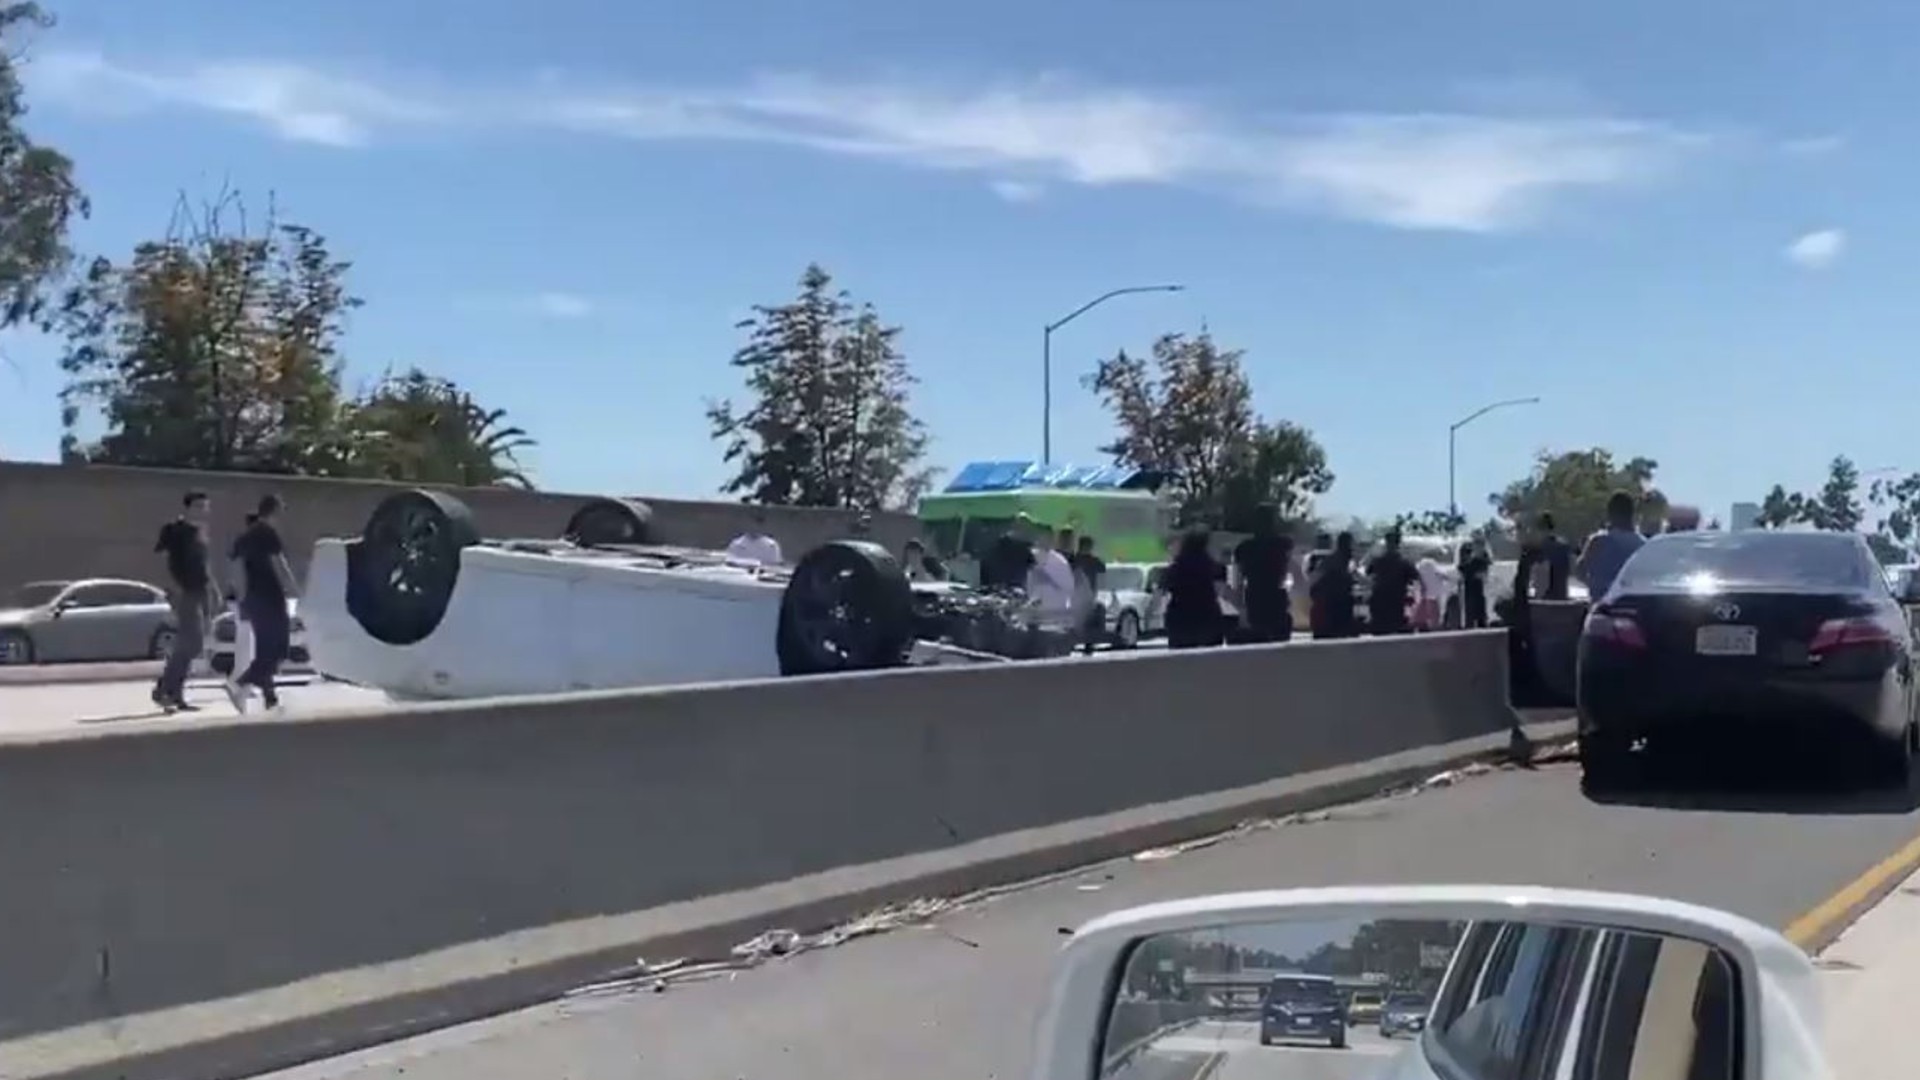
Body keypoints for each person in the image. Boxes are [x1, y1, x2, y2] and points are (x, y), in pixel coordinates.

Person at [228, 494, 300, 713]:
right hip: (270, 597)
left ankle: (270, 700)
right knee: (278, 649)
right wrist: (294, 588)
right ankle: (239, 683)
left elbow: (233, 568)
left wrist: (240, 597)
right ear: (274, 510)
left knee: (264, 649)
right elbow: (279, 563)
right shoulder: (267, 533)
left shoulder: (245, 535)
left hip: (253, 598)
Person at [151, 490, 219, 712]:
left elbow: (204, 564)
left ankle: (175, 693)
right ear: (187, 508)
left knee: (192, 644)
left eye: (205, 506)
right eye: (198, 506)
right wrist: (171, 590)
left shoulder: (200, 533)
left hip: (200, 589)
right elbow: (161, 559)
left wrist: (214, 589)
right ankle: (164, 689)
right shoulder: (175, 530)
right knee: (190, 642)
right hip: (183, 591)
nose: (202, 511)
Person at [1231, 503, 1302, 644]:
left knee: (1258, 645)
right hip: (1276, 598)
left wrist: (1240, 607)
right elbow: (1297, 575)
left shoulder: (1244, 548)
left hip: (1254, 599)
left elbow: (1238, 583)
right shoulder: (1283, 545)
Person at [1160, 528, 1227, 649]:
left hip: (1180, 618)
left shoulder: (1175, 568)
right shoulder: (1213, 567)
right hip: (1207, 616)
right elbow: (1220, 591)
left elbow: (1163, 592)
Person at [1576, 491, 1648, 602]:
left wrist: (1595, 585)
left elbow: (1580, 570)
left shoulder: (1599, 540)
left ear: (1610, 513)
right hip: (1632, 608)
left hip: (1602, 608)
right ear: (1632, 514)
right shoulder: (1643, 545)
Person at [1366, 530, 1420, 635]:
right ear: (1398, 544)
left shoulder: (1379, 560)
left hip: (1379, 602)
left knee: (1379, 635)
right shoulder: (1404, 562)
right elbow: (1415, 577)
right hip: (1395, 603)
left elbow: (1368, 572)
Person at [1309, 532, 1359, 639]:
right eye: (1348, 545)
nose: (1351, 549)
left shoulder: (1342, 562)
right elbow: (1319, 580)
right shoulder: (1334, 561)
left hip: (1337, 603)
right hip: (1331, 604)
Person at [1070, 534, 1108, 656]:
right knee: (1085, 618)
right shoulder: (1088, 560)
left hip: (1082, 593)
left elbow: (1103, 568)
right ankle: (1087, 644)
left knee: (1083, 619)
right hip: (1082, 593)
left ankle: (1086, 644)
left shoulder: (1075, 558)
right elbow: (1103, 568)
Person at [981, 515, 1038, 591]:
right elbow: (1032, 564)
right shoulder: (1024, 547)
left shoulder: (1001, 543)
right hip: (1009, 583)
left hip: (1003, 582)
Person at [1533, 513, 1573, 601]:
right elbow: (1569, 570)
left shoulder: (1537, 547)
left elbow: (1538, 576)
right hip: (1561, 596)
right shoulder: (1563, 546)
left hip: (1543, 599)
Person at [1458, 540, 1491, 629]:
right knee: (1470, 607)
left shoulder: (1482, 557)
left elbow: (1486, 565)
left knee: (1479, 606)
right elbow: (1462, 568)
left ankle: (1480, 622)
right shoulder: (1467, 551)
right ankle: (1472, 624)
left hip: (1478, 586)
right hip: (1469, 586)